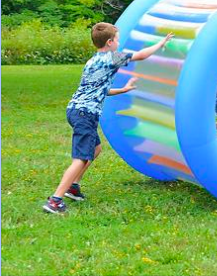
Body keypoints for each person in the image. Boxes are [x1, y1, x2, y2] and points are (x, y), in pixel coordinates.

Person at [43, 22, 173, 214]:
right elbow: (142, 55)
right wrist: (160, 43)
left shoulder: (93, 61)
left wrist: (123, 89)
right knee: (80, 158)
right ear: (110, 42)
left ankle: (73, 186)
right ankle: (55, 200)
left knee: (95, 149)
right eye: (118, 40)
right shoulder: (111, 58)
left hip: (76, 110)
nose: (119, 43)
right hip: (85, 113)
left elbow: (98, 89)